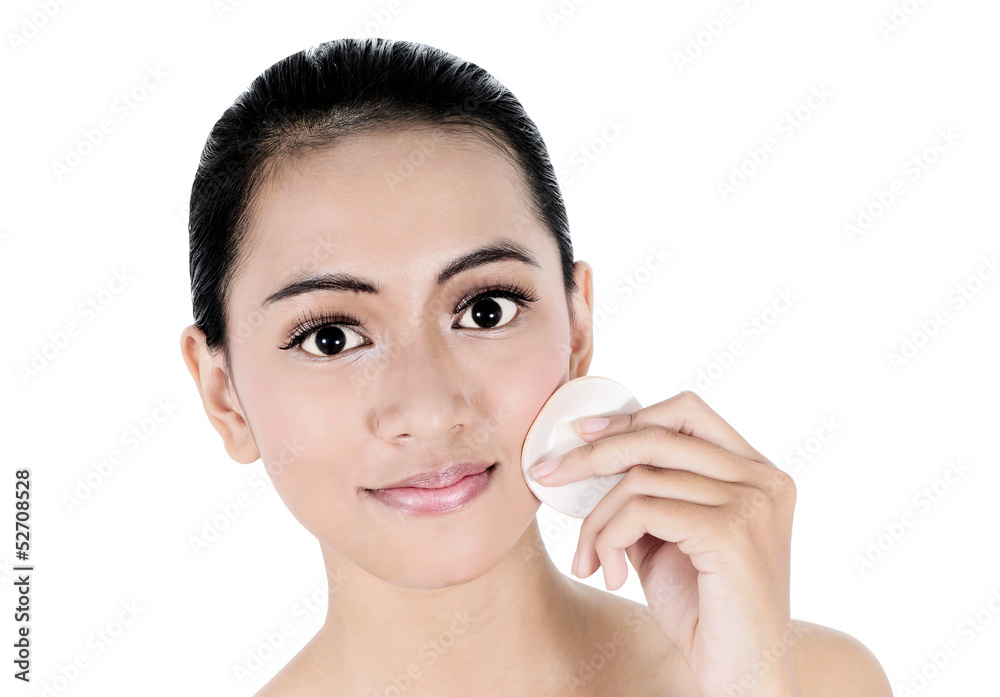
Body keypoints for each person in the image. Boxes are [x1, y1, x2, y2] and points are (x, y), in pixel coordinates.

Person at [179, 37, 892, 696]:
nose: (429, 407)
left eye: (486, 308)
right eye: (329, 337)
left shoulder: (813, 680)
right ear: (224, 396)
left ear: (577, 328)